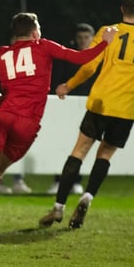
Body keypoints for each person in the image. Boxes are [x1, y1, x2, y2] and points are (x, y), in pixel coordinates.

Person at [0, 12, 118, 226]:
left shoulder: (3, 53)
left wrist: (3, 73)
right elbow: (80, 58)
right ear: (35, 31)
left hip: (3, 114)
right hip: (27, 124)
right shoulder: (44, 46)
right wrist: (104, 43)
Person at [39, 0, 134, 230]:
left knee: (79, 150)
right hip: (127, 108)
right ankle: (87, 197)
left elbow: (89, 66)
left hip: (101, 102)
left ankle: (58, 208)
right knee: (105, 155)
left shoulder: (108, 32)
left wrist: (69, 84)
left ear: (121, 9)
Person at [46, 22, 98, 195]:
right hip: (66, 106)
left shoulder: (98, 58)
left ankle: (77, 181)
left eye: (86, 38)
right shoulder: (68, 57)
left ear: (92, 39)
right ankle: (57, 180)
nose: (83, 41)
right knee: (62, 142)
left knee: (83, 144)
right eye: (80, 38)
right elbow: (57, 80)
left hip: (88, 106)